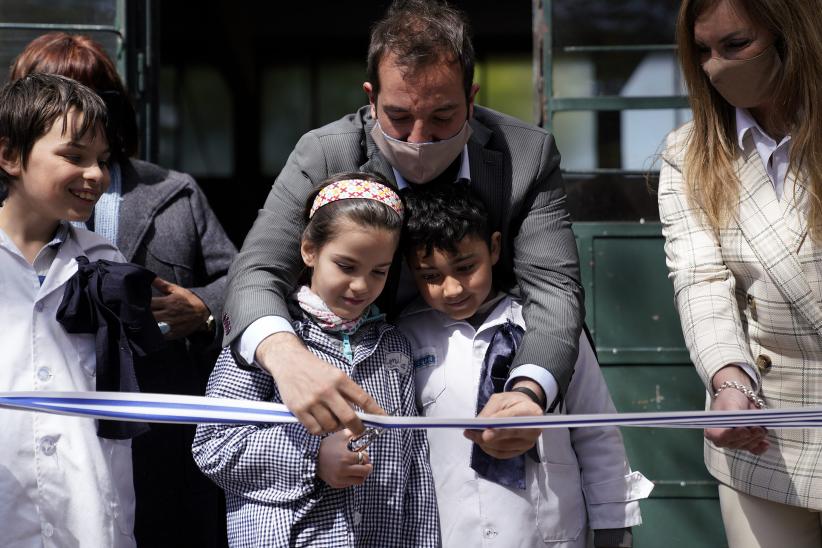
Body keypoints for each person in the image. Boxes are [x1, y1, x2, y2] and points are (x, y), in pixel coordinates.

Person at [223, 0, 584, 459]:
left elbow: (554, 287)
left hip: (473, 392)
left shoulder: (526, 156)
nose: (418, 140)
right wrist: (285, 356)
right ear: (370, 99)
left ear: (472, 100)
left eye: (442, 118)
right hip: (341, 406)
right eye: (398, 117)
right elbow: (256, 270)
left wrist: (529, 391)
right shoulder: (322, 154)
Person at [10, 32, 237, 547]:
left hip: (159, 428)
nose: (74, 108)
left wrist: (202, 308)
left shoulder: (172, 191)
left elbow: (242, 277)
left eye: (90, 96)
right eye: (49, 92)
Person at [397, 183, 652, 548]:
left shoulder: (550, 329)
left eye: (466, 267)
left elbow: (596, 431)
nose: (452, 289)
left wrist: (614, 528)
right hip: (450, 533)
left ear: (495, 248)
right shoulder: (405, 336)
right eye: (431, 276)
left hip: (550, 534)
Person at [193, 172, 439, 547]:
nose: (361, 285)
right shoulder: (267, 338)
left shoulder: (394, 347)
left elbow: (415, 466)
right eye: (346, 266)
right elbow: (214, 444)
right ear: (309, 250)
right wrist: (314, 458)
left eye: (379, 272)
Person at [660, 0, 822, 545]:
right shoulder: (688, 153)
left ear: (791, 35)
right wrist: (728, 380)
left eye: (736, 46)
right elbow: (700, 279)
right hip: (762, 425)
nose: (715, 67)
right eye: (702, 51)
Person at [0, 73, 136, 547]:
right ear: (10, 156)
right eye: (74, 157)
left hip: (88, 504)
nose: (96, 175)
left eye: (101, 160)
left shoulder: (105, 262)